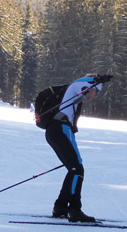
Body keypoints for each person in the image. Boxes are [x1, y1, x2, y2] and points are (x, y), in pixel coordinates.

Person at [46, 74, 110, 223]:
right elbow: (80, 82)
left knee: (73, 168)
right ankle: (75, 209)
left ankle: (61, 207)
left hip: (55, 131)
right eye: (97, 92)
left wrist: (97, 82)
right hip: (60, 129)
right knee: (77, 169)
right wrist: (97, 79)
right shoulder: (76, 88)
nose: (96, 95)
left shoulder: (74, 94)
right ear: (90, 87)